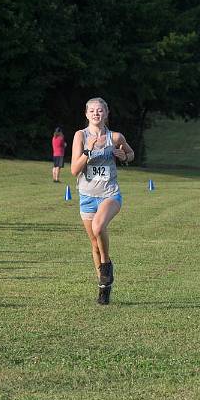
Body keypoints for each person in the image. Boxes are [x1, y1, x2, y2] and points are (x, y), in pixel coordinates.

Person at [71, 98, 134, 305]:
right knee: (94, 245)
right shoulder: (80, 136)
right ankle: (103, 286)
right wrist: (87, 151)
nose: (96, 114)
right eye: (92, 111)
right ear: (86, 114)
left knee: (99, 228)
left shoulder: (115, 137)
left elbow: (131, 154)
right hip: (87, 197)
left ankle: (107, 266)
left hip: (109, 194)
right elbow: (73, 170)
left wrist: (123, 155)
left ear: (106, 113)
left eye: (100, 110)